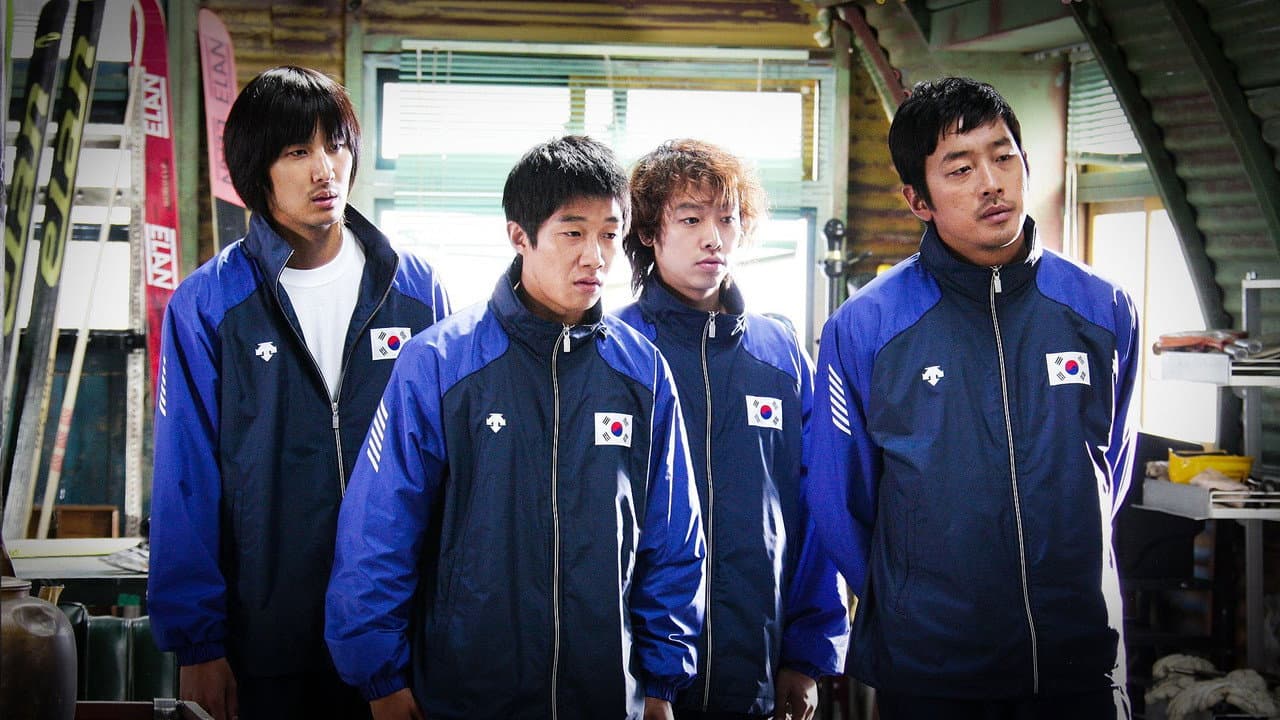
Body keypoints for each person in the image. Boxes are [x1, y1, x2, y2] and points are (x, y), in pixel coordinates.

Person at [324, 135, 706, 720]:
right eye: (573, 233)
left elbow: (673, 535)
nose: (595, 257)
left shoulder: (642, 371)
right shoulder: (440, 363)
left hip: (606, 695)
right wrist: (379, 676)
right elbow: (380, 527)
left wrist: (662, 680)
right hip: (466, 694)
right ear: (519, 236)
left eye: (610, 234)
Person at [805, 77, 1140, 719]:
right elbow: (840, 499)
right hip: (934, 675)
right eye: (960, 169)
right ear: (917, 199)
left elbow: (1110, 471)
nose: (991, 183)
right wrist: (914, 602)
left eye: (1003, 156)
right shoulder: (868, 328)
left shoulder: (1101, 308)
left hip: (1081, 664)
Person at [148, 66, 451, 720]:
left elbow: (453, 467)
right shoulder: (208, 305)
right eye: (296, 151)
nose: (324, 169)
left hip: (402, 639)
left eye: (336, 145)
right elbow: (184, 478)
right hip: (264, 642)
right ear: (256, 170)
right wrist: (199, 643)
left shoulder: (417, 291)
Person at [614, 139, 849, 720]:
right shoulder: (616, 352)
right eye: (691, 219)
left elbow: (814, 509)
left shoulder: (780, 354)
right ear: (647, 231)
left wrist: (807, 654)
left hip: (757, 670)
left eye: (727, 218)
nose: (713, 238)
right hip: (634, 680)